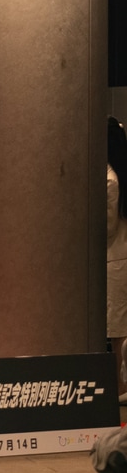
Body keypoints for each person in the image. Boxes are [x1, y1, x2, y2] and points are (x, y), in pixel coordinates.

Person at [107, 118, 127, 403]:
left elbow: (105, 227)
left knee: (117, 328)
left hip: (115, 259)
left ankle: (120, 390)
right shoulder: (119, 174)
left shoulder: (109, 180)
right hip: (120, 257)